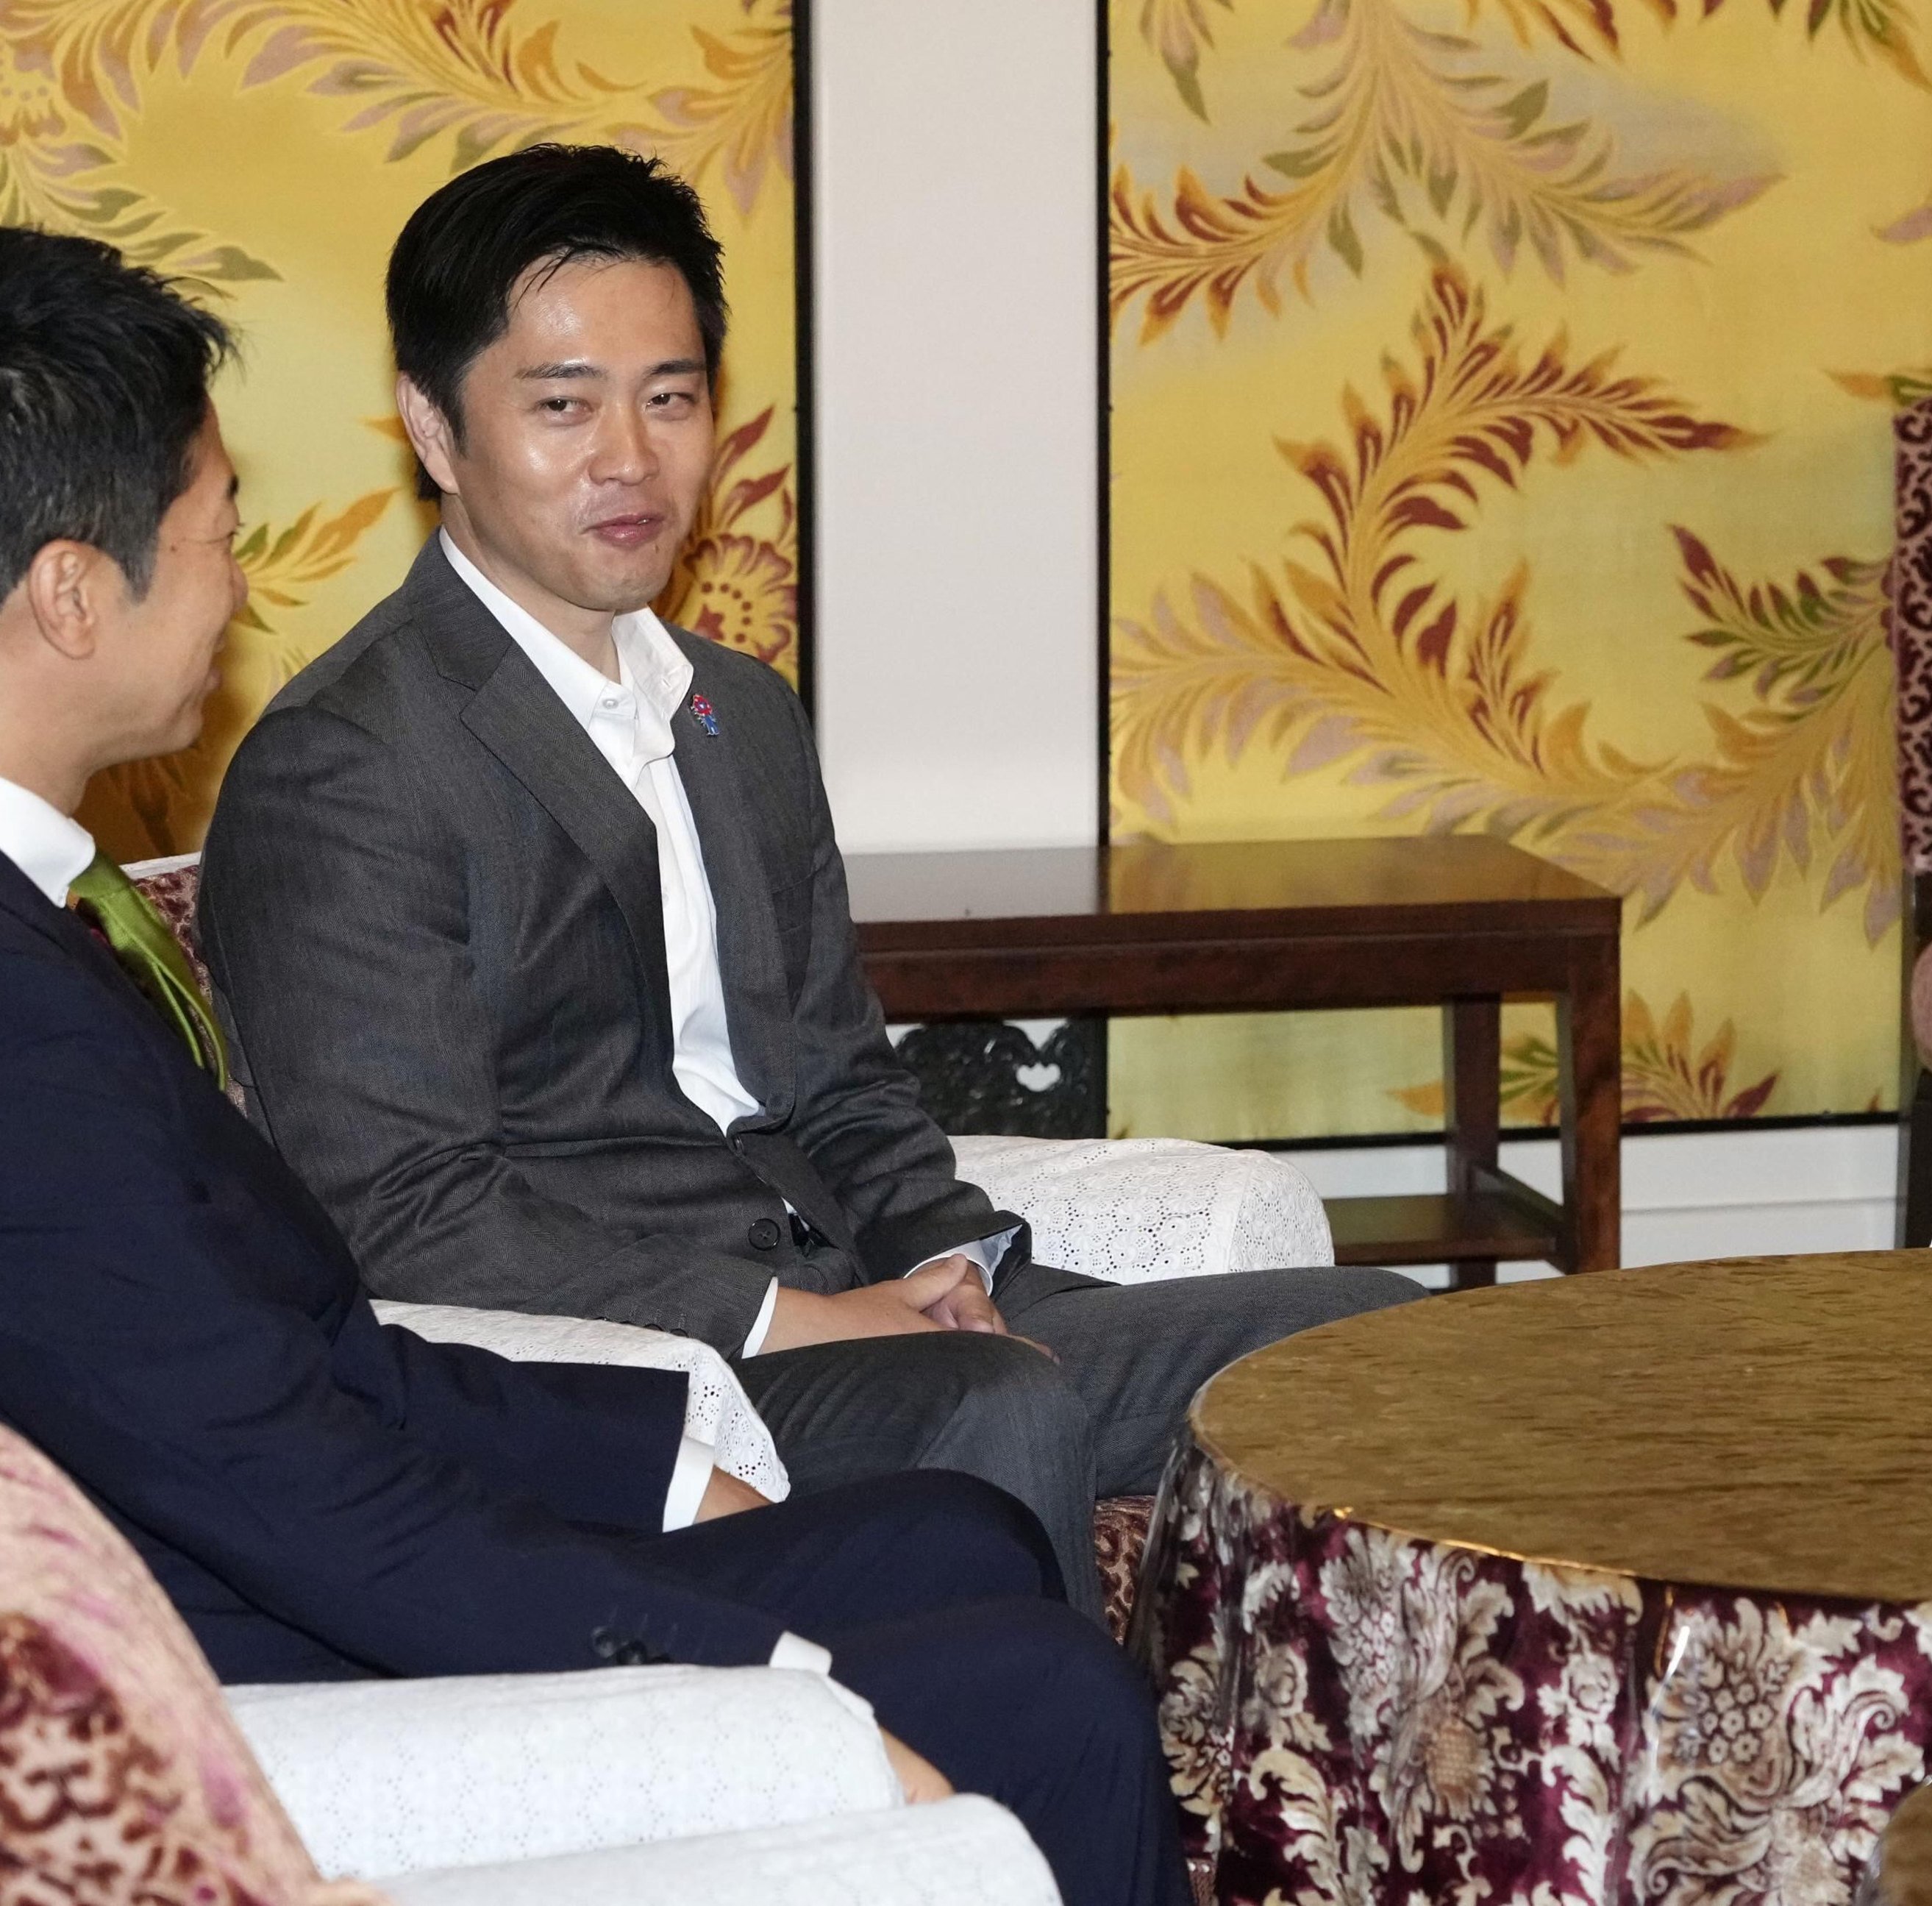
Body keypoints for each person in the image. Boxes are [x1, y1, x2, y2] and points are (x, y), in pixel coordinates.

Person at [0, 224, 1188, 1906]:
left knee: (961, 1533)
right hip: (258, 1674)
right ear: (69, 589)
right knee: (1049, 1689)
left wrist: (642, 1458)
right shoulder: (27, 1026)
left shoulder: (48, 918)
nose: (243, 586)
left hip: (327, 1522)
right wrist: (773, 1694)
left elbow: (315, 1353)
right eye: (216, 539)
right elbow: (304, 1494)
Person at [196, 145, 1417, 1612]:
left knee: (1373, 1351)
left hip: (869, 1296)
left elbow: (836, 1073)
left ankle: (1307, 1824)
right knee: (992, 1412)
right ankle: (1055, 1827)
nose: (631, 460)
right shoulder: (351, 760)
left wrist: (946, 1255)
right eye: (562, 406)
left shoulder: (739, 711)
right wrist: (797, 1319)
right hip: (654, 1364)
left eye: (671, 396)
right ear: (433, 429)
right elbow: (406, 1206)